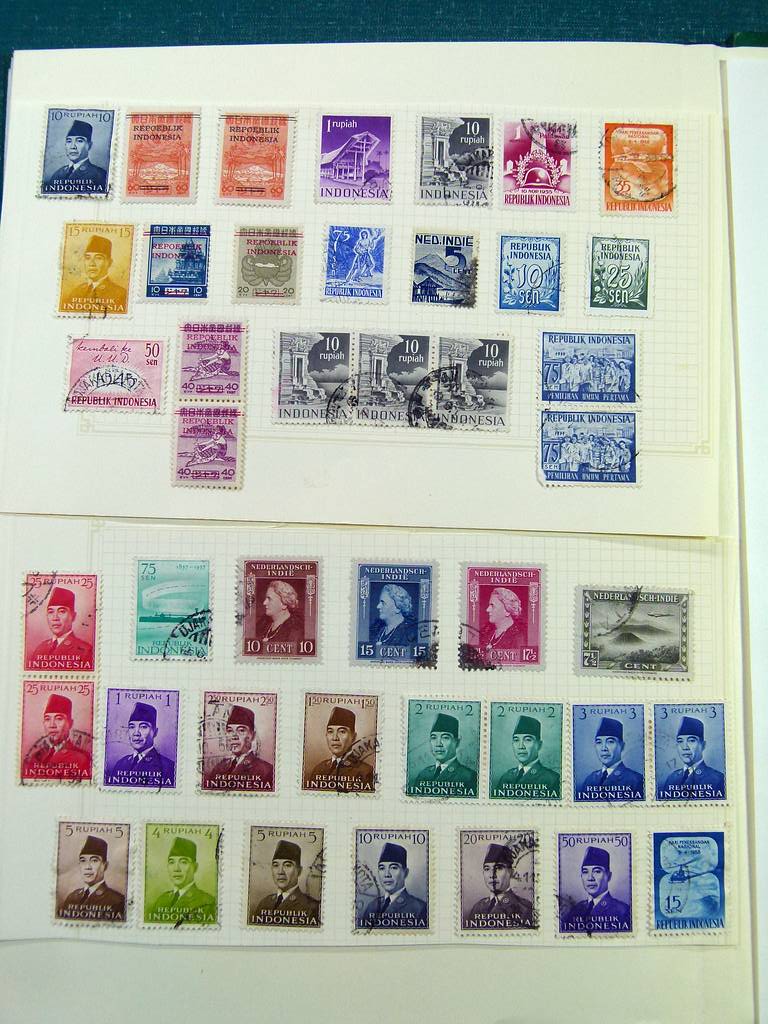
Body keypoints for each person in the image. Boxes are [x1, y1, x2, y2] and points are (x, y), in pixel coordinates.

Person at [304, 705, 374, 791]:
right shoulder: (319, 769)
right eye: (330, 731)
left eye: (342, 731)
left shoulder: (366, 772)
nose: (335, 738)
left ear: (354, 737)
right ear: (326, 735)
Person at [464, 843, 534, 928]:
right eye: (487, 869)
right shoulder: (478, 907)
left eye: (499, 868)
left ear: (511, 872)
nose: (492, 875)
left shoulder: (525, 908)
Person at [204, 704, 273, 790]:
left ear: (253, 736)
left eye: (241, 730)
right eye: (230, 731)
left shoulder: (265, 770)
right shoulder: (219, 767)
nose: (234, 736)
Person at [562, 845, 631, 930]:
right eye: (585, 872)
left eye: (597, 871)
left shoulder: (623, 911)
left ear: (609, 876)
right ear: (581, 876)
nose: (590, 878)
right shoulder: (576, 909)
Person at [57, 835, 125, 921]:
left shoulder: (118, 901)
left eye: (94, 860)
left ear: (105, 865)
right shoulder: (72, 897)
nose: (87, 867)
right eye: (83, 860)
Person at [360, 842, 427, 927]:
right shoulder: (372, 906)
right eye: (382, 868)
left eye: (394, 867)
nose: (387, 874)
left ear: (405, 873)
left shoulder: (419, 908)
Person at [253, 840, 320, 925]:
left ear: (299, 871)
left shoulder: (313, 907)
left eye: (287, 865)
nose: (280, 872)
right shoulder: (264, 902)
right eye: (276, 865)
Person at [23, 693, 91, 777]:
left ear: (70, 723)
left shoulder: (82, 758)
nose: (52, 725)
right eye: (47, 719)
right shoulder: (35, 757)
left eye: (59, 719)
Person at [576, 716, 644, 800]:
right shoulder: (590, 779)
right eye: (599, 742)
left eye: (610, 741)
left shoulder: (636, 780)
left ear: (622, 746)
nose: (604, 748)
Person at [658, 715, 725, 799]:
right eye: (680, 741)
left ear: (703, 745)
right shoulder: (672, 778)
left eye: (691, 740)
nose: (685, 747)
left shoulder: (718, 780)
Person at [108, 701, 175, 784]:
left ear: (155, 732)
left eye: (143, 727)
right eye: (132, 727)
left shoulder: (168, 767)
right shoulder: (121, 764)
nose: (136, 733)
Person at [150, 837, 216, 920]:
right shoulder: (161, 900)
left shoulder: (208, 903)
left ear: (195, 867)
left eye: (183, 862)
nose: (176, 869)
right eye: (171, 862)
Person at [29, 586, 93, 671]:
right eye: (51, 612)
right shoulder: (40, 648)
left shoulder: (86, 651)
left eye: (62, 611)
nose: (55, 618)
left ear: (73, 616)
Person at [496, 714, 560, 796]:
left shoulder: (552, 779)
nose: (521, 746)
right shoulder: (506, 777)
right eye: (516, 740)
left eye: (527, 740)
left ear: (539, 745)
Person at [413, 712, 477, 791]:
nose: (438, 744)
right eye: (434, 737)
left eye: (445, 737)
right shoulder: (424, 774)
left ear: (457, 742)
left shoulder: (468, 777)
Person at [62, 234, 127, 311]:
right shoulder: (76, 291)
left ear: (109, 262)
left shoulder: (121, 294)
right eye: (87, 258)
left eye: (98, 258)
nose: (92, 264)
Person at [45, 118, 108, 192]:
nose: (73, 147)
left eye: (79, 141)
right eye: (69, 141)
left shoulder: (100, 175)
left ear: (89, 145)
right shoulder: (58, 173)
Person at [250, 579, 304, 645]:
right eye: (266, 598)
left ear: (284, 604)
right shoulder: (263, 623)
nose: (264, 603)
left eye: (269, 599)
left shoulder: (295, 631)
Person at [480, 586, 524, 656]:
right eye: (489, 605)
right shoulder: (488, 633)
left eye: (492, 606)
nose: (487, 610)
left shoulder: (518, 638)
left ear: (507, 611)